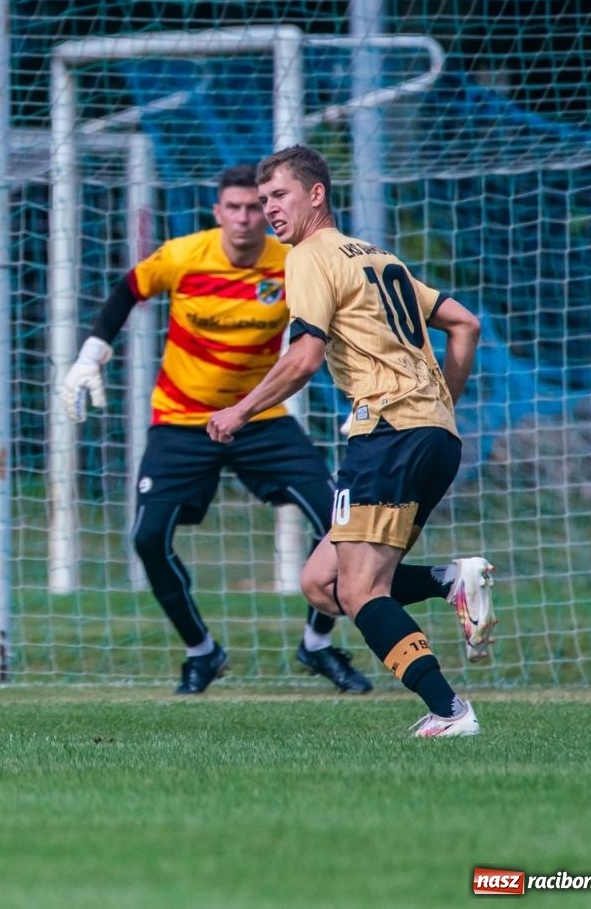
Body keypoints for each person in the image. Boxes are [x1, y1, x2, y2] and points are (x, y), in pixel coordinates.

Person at [207, 145, 497, 737]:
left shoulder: (311, 256)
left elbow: (305, 356)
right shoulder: (374, 256)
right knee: (322, 582)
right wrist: (442, 404)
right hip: (432, 435)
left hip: (387, 434)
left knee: (362, 589)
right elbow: (464, 322)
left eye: (279, 196)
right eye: (263, 202)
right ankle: (450, 580)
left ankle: (449, 711)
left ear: (316, 194)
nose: (269, 211)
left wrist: (241, 409)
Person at [59, 165, 373, 694]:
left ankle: (317, 644)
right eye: (235, 208)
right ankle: (202, 652)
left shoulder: (292, 263)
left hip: (262, 417)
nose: (247, 218)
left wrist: (360, 391)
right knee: (147, 538)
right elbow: (127, 291)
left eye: (256, 207)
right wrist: (91, 355)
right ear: (218, 213)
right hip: (181, 421)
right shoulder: (184, 256)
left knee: (341, 524)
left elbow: (331, 330)